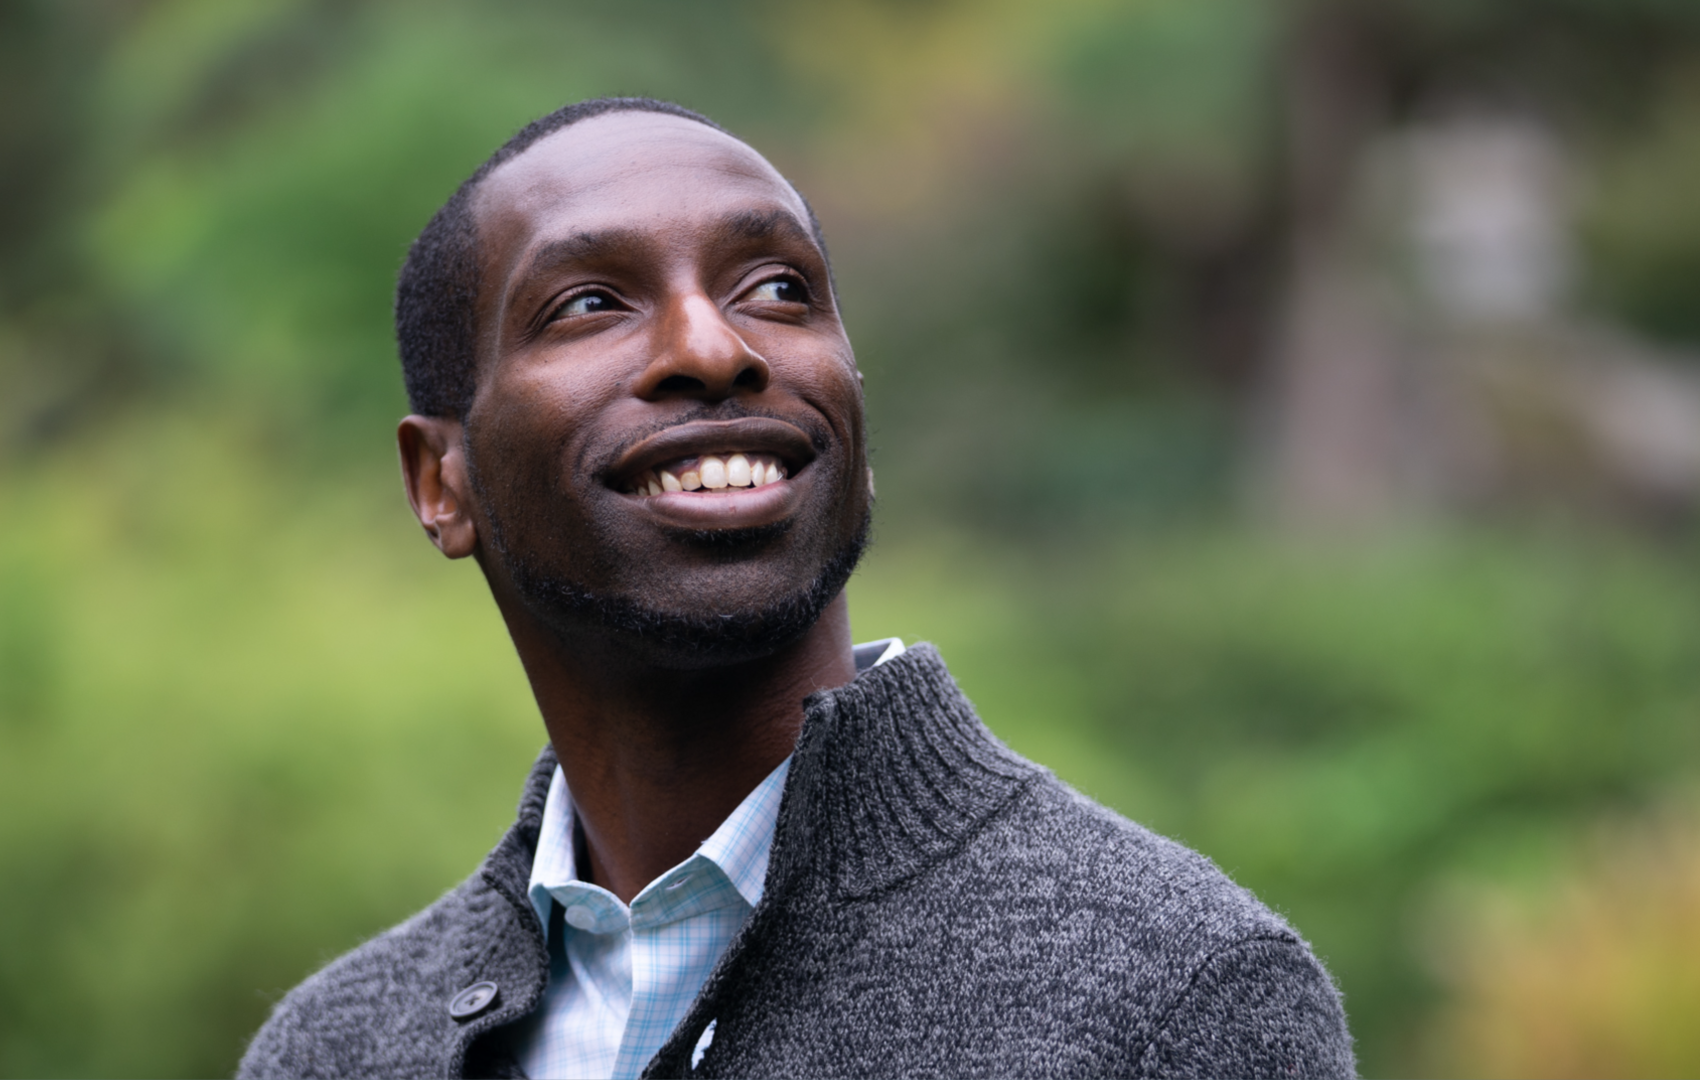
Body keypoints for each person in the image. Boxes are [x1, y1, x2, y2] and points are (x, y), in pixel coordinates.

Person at [238, 97, 1357, 1080]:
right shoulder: (334, 1049)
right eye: (588, 303)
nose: (712, 345)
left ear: (856, 421)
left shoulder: (1173, 993)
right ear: (443, 481)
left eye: (777, 289)